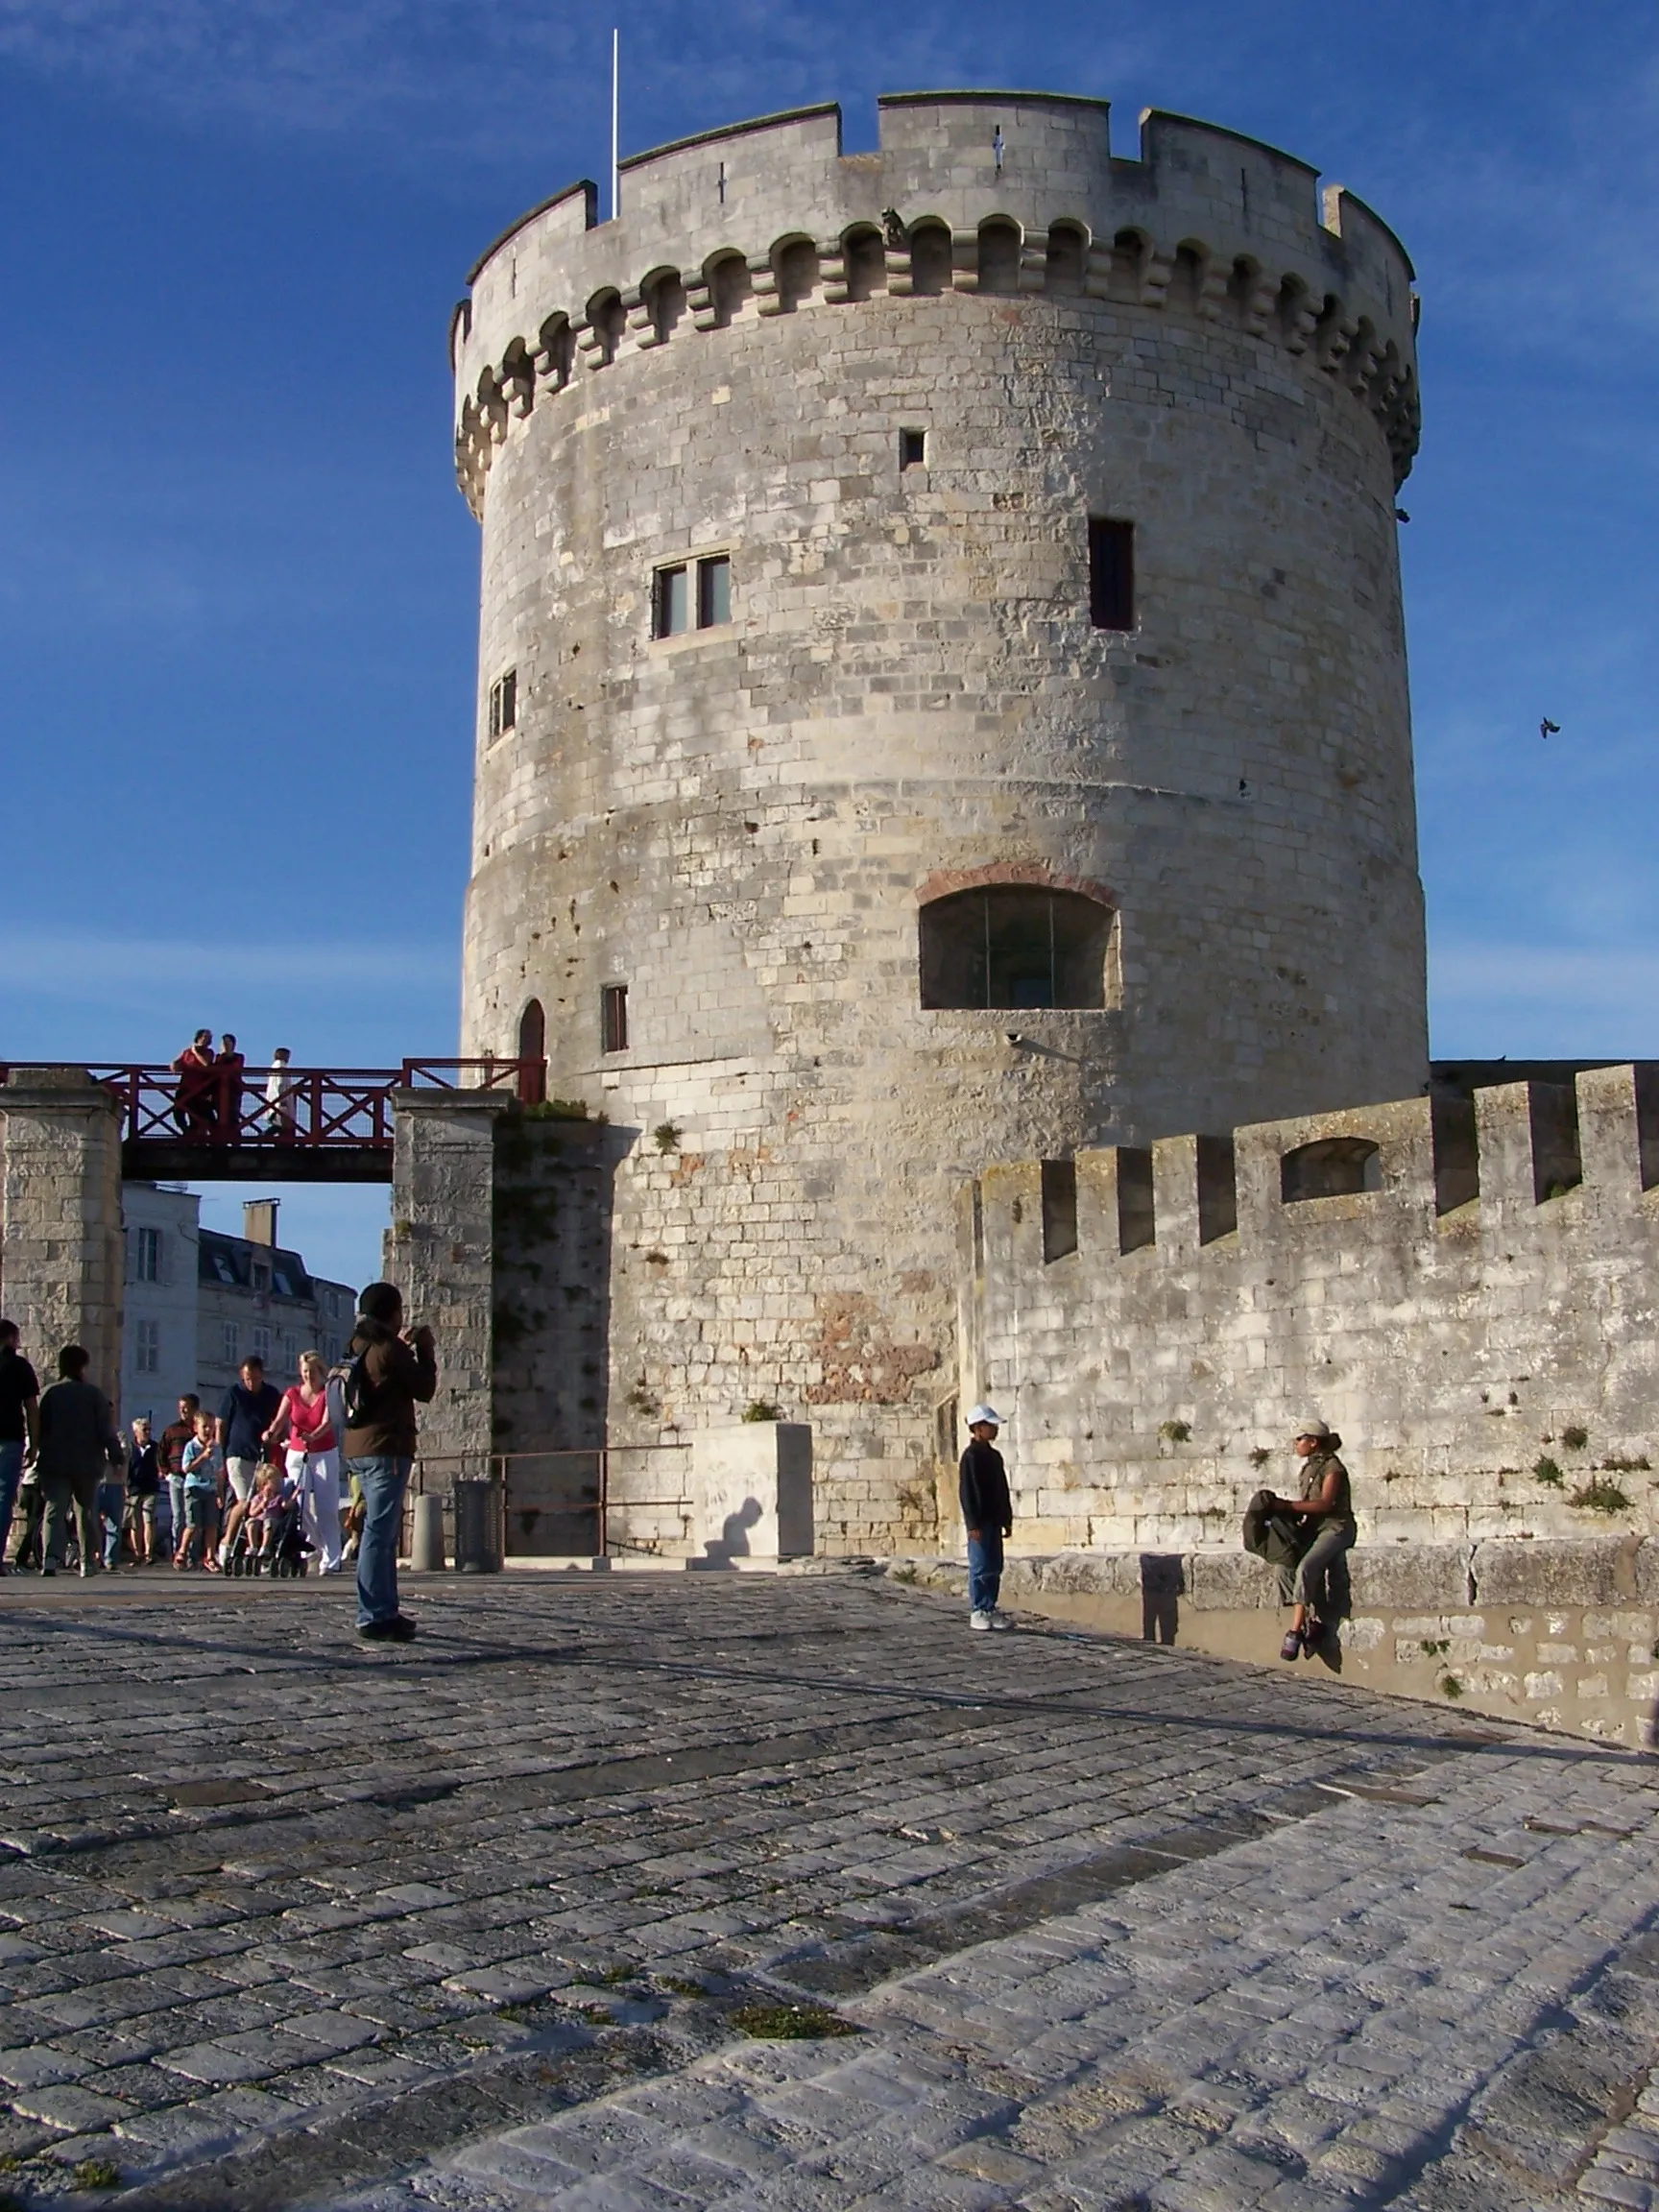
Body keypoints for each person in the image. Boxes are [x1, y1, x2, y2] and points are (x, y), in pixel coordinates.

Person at [342, 1282, 435, 1642]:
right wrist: (424, 1351)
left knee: (376, 1532)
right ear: (392, 1314)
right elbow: (424, 1388)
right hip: (386, 1449)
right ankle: (374, 1614)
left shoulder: (357, 1344)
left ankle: (385, 1608)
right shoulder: (389, 1348)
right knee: (379, 1535)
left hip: (357, 1448)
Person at [1267, 1419, 1358, 1660]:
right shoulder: (1308, 1468)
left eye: (1299, 1439)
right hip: (1314, 1529)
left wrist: (1289, 1506)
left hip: (1336, 1529)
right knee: (1284, 1566)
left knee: (1308, 1566)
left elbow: (1325, 1503)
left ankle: (1295, 1631)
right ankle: (1311, 1623)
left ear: (1313, 1442)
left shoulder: (1333, 1468)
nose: (1295, 1444)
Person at [36, 1346, 122, 1577]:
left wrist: (34, 1451)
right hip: (86, 1462)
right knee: (85, 1511)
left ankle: (50, 1560)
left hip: (54, 1461)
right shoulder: (94, 1395)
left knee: (54, 1510)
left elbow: (38, 1428)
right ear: (83, 1366)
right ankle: (86, 1562)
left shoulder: (49, 1393)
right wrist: (116, 1455)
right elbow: (106, 1430)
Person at [263, 1350, 343, 1573]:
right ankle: (313, 1545)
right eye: (305, 1372)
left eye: (313, 1372)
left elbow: (328, 1422)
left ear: (320, 1372)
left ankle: (332, 1559)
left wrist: (314, 1436)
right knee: (298, 1505)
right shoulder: (293, 1393)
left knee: (326, 1507)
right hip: (297, 1454)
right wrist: (270, 1433)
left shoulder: (328, 1393)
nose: (309, 1376)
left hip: (324, 1453)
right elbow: (280, 1420)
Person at [216, 1358, 281, 1569]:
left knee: (263, 1504)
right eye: (247, 1379)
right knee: (244, 1502)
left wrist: (275, 1436)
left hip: (261, 1456)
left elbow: (280, 1419)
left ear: (261, 1374)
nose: (251, 1383)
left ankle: (258, 1549)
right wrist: (221, 1453)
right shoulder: (234, 1393)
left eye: (254, 1378)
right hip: (236, 1455)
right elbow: (221, 1424)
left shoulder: (271, 1394)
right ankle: (226, 1543)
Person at [959, 1402, 1014, 1632]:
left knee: (994, 1565)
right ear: (978, 1428)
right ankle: (978, 1609)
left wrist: (1006, 1519)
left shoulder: (994, 1457)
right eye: (990, 1425)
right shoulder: (971, 1457)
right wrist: (972, 1524)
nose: (995, 1429)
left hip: (993, 1519)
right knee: (980, 1565)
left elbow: (1002, 1489)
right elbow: (967, 1493)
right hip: (980, 1522)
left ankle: (990, 1607)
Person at [0, 1317, 40, 1575]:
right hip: (9, 1437)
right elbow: (32, 1408)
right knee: (4, 1498)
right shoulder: (19, 1367)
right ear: (11, 1339)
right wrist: (34, 1443)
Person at [177, 1411, 220, 1569]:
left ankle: (209, 1556)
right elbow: (186, 1468)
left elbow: (219, 1471)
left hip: (210, 1489)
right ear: (196, 1428)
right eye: (204, 1427)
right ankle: (182, 1551)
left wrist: (219, 1493)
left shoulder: (216, 1447)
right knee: (193, 1524)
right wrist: (203, 1457)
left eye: (211, 1427)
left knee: (211, 1524)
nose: (208, 1430)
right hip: (194, 1488)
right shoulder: (191, 1446)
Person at [158, 1393, 200, 1557]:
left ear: (194, 1409)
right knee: (178, 1516)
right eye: (180, 1407)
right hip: (176, 1477)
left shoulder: (199, 1430)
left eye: (186, 1407)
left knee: (194, 1517)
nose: (182, 1411)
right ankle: (178, 1552)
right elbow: (161, 1452)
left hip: (196, 1478)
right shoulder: (172, 1430)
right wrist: (166, 1472)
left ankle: (193, 1553)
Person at [125, 1416, 161, 1564]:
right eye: (144, 1430)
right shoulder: (130, 1448)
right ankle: (136, 1552)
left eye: (149, 1429)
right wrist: (125, 1487)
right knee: (135, 1522)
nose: (147, 1432)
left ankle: (148, 1552)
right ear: (136, 1432)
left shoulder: (155, 1447)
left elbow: (160, 1463)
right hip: (134, 1488)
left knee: (149, 1519)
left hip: (150, 1487)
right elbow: (126, 1468)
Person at [171, 1029, 217, 1142]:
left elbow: (205, 1064)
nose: (207, 1039)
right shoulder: (187, 1052)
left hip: (199, 1090)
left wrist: (195, 1052)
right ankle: (186, 1133)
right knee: (178, 1111)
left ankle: (195, 1139)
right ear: (198, 1037)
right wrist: (174, 1064)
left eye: (209, 1038)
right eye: (205, 1037)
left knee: (196, 1117)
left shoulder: (209, 1052)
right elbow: (177, 1065)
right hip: (185, 1087)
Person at [214, 1033, 247, 1143]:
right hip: (219, 1091)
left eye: (227, 1043)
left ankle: (235, 1141)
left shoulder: (239, 1057)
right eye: (223, 1043)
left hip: (234, 1090)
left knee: (233, 1117)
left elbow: (234, 1068)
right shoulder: (218, 1057)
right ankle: (220, 1141)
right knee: (219, 1117)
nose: (224, 1045)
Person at [263, 1047, 300, 1141]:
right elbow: (281, 1083)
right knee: (280, 1125)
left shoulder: (275, 1066)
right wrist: (283, 1101)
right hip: (280, 1101)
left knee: (279, 1125)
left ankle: (263, 1139)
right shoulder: (281, 1065)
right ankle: (262, 1138)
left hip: (276, 1100)